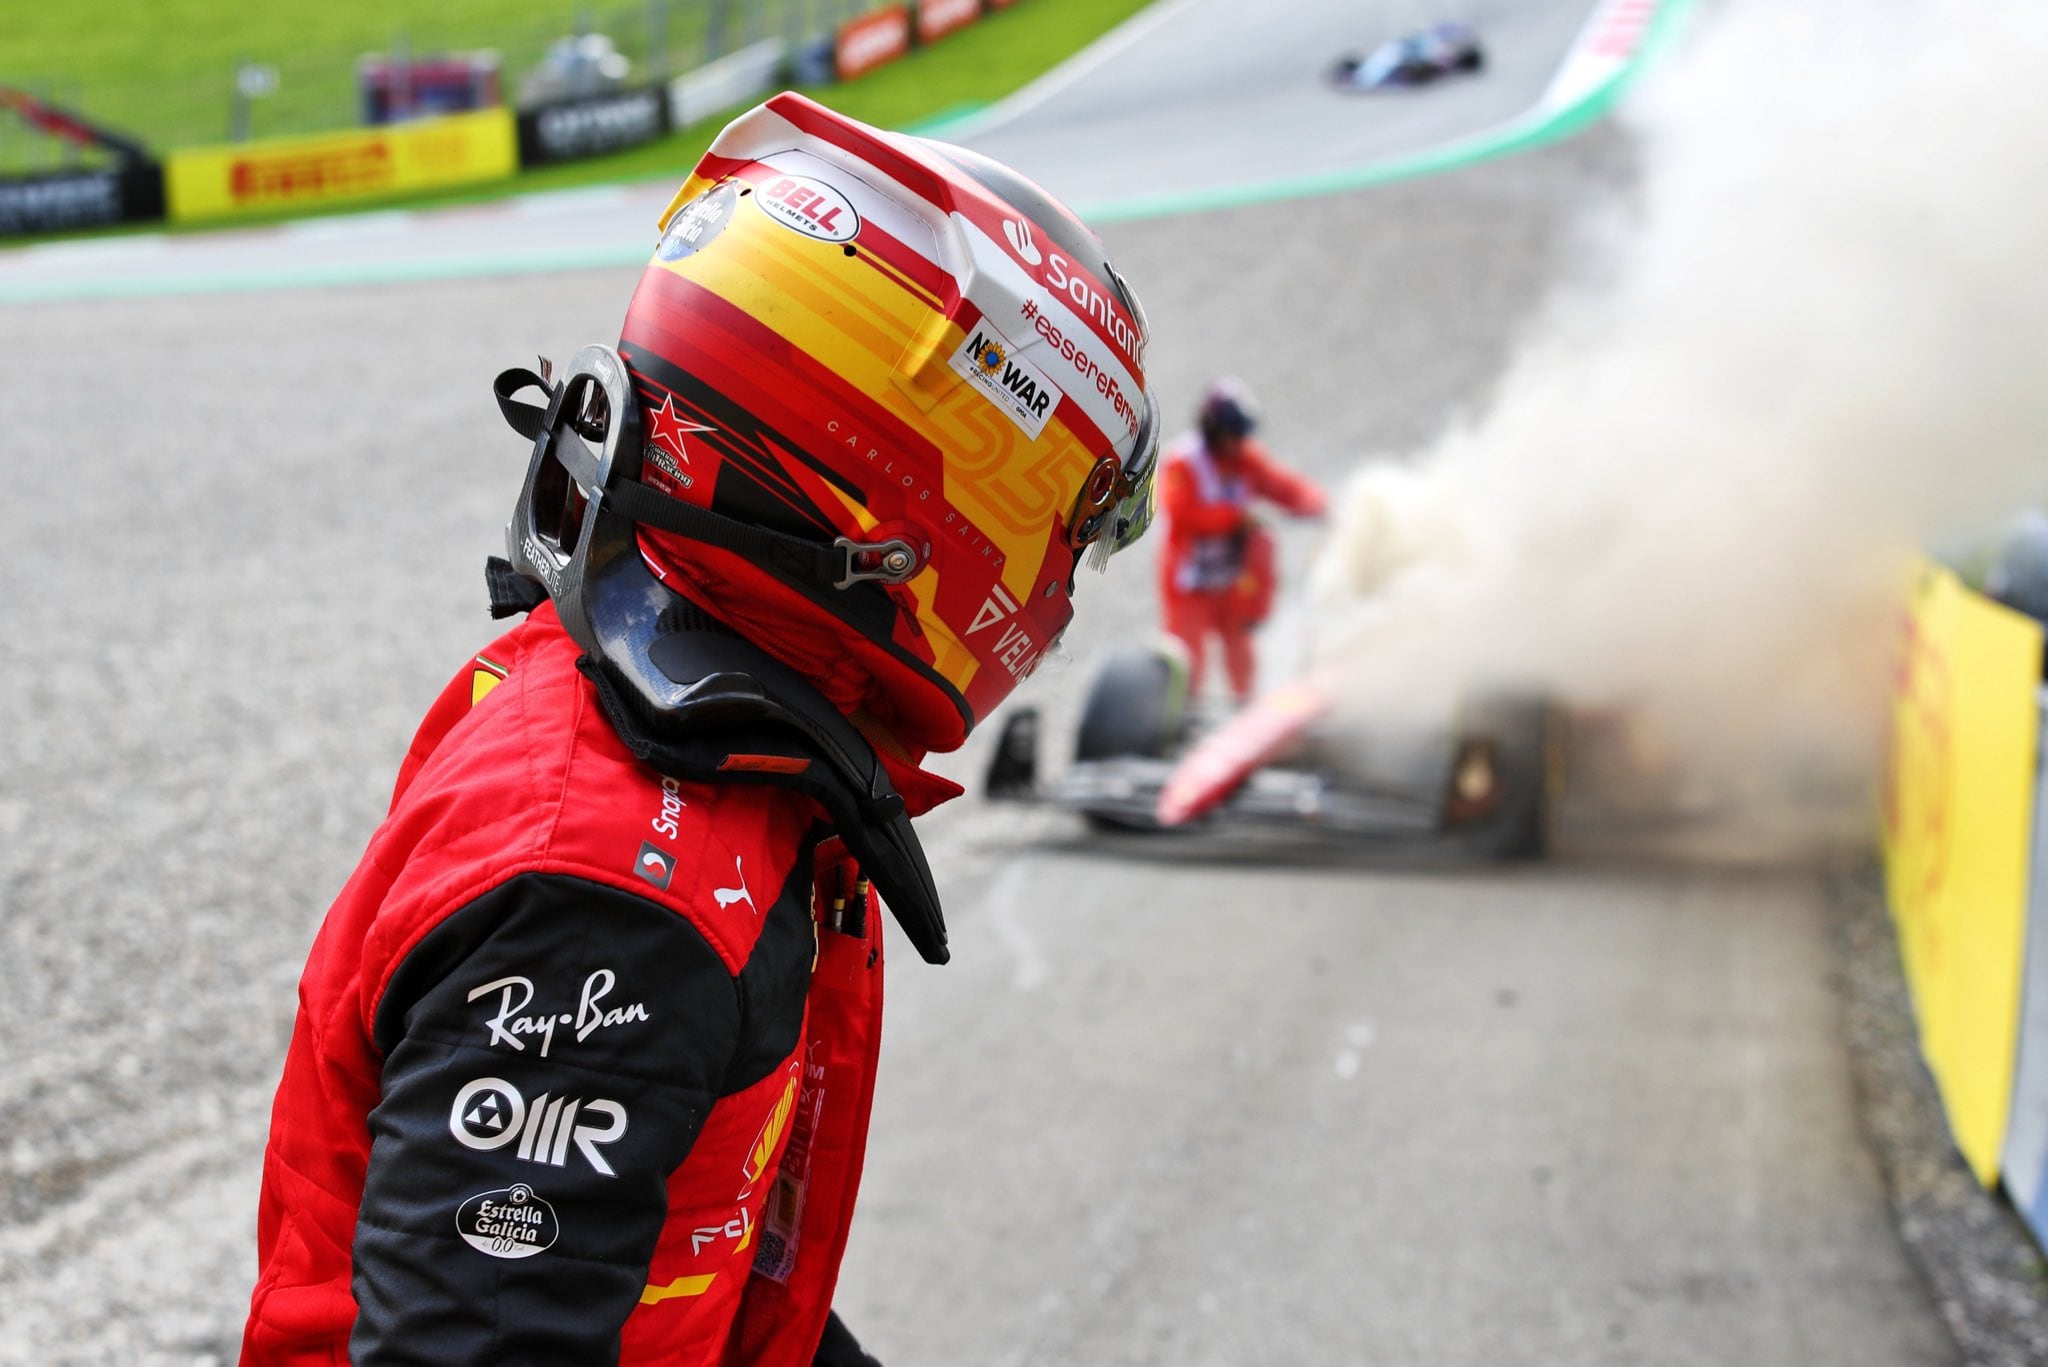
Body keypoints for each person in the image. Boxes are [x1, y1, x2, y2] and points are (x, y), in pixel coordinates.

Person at [238, 91, 1159, 1366]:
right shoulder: (616, 895)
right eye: (1066, 523)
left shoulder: (676, 698)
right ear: (906, 503)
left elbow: (691, 1274)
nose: (1056, 590)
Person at [1156, 379, 1326, 707]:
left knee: (1242, 658)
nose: (1239, 442)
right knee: (1186, 664)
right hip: (1189, 584)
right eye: (1233, 434)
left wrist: (1318, 505)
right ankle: (1180, 720)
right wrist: (1235, 517)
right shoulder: (1182, 462)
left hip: (1231, 582)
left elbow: (1283, 487)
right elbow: (1182, 514)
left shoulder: (1246, 459)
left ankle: (1244, 710)